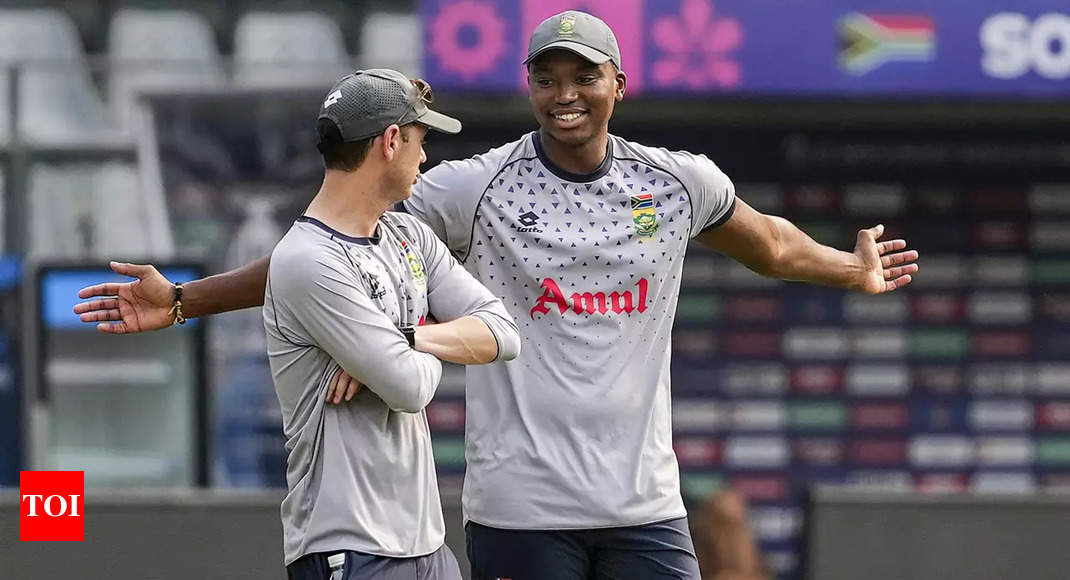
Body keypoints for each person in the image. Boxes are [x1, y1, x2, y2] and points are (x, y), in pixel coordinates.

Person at [75, 10, 918, 580]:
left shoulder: (676, 183)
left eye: (582, 76)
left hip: (644, 505)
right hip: (522, 508)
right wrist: (187, 299)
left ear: (618, 83)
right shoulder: (474, 188)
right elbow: (327, 248)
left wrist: (850, 268)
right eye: (547, 78)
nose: (564, 94)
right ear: (530, 87)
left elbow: (769, 244)